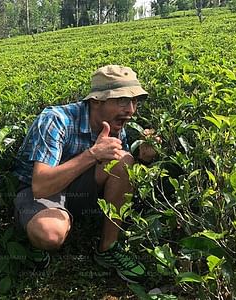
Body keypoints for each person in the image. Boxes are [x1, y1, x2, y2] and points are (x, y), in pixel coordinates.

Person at [13, 65, 157, 283]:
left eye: (134, 101)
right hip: (40, 192)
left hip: (80, 188)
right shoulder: (56, 120)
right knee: (49, 233)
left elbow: (121, 172)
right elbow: (41, 185)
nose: (131, 110)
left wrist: (144, 158)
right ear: (96, 101)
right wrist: (92, 154)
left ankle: (108, 248)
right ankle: (33, 238)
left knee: (124, 160)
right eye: (122, 100)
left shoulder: (116, 123)